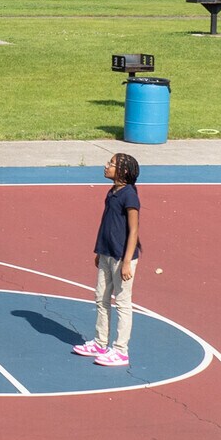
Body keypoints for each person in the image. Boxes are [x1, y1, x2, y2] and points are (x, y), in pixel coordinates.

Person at [75, 152, 141, 367]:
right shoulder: (112, 192)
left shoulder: (129, 195)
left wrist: (127, 261)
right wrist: (100, 251)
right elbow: (107, 224)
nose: (106, 166)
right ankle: (100, 343)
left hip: (122, 257)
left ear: (123, 170)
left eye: (111, 164)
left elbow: (133, 231)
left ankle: (121, 351)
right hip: (106, 253)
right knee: (101, 298)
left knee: (122, 303)